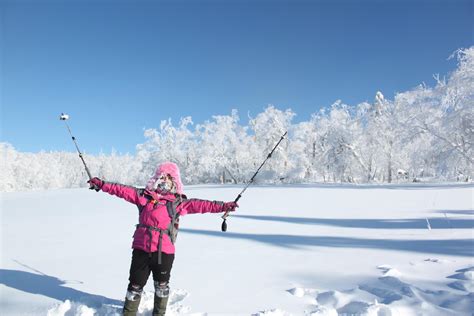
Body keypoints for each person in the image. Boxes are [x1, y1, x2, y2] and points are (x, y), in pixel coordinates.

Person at [88, 162, 238, 316]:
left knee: (162, 286)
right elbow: (120, 190)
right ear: (156, 179)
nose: (165, 181)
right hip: (141, 250)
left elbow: (201, 205)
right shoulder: (143, 196)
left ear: (175, 182)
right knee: (134, 286)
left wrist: (224, 206)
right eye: (162, 177)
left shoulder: (177, 203)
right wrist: (102, 184)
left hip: (164, 252)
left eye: (169, 178)